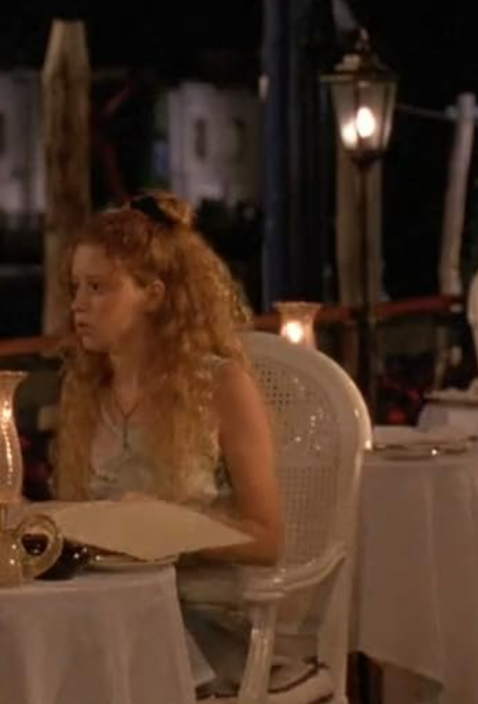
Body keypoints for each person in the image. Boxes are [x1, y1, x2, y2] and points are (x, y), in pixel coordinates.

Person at [51, 190, 283, 695]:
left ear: (153, 295)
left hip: (198, 623)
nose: (79, 305)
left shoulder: (220, 386)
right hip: (107, 614)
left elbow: (267, 538)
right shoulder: (88, 392)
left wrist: (168, 528)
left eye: (98, 288)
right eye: (76, 287)